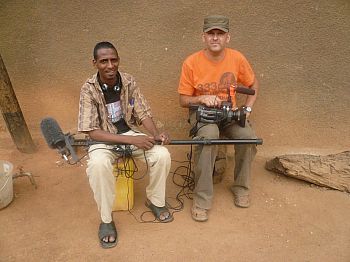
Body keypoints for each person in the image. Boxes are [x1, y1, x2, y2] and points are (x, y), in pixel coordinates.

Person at [78, 41, 173, 248]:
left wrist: (156, 134)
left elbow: (143, 112)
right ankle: (106, 220)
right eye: (104, 61)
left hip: (129, 133)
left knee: (161, 155)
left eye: (114, 60)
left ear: (118, 60)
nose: (110, 65)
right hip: (102, 138)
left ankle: (156, 202)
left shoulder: (129, 81)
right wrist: (132, 140)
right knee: (98, 165)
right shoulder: (88, 89)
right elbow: (91, 131)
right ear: (94, 63)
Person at [177, 15, 259, 222]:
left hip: (229, 113)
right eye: (211, 34)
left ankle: (241, 188)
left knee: (248, 137)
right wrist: (201, 98)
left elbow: (253, 85)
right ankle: (202, 199)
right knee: (209, 138)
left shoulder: (237, 58)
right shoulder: (191, 62)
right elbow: (183, 100)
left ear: (228, 38)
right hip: (202, 113)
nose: (215, 38)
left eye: (220, 34)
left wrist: (246, 110)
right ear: (203, 37)